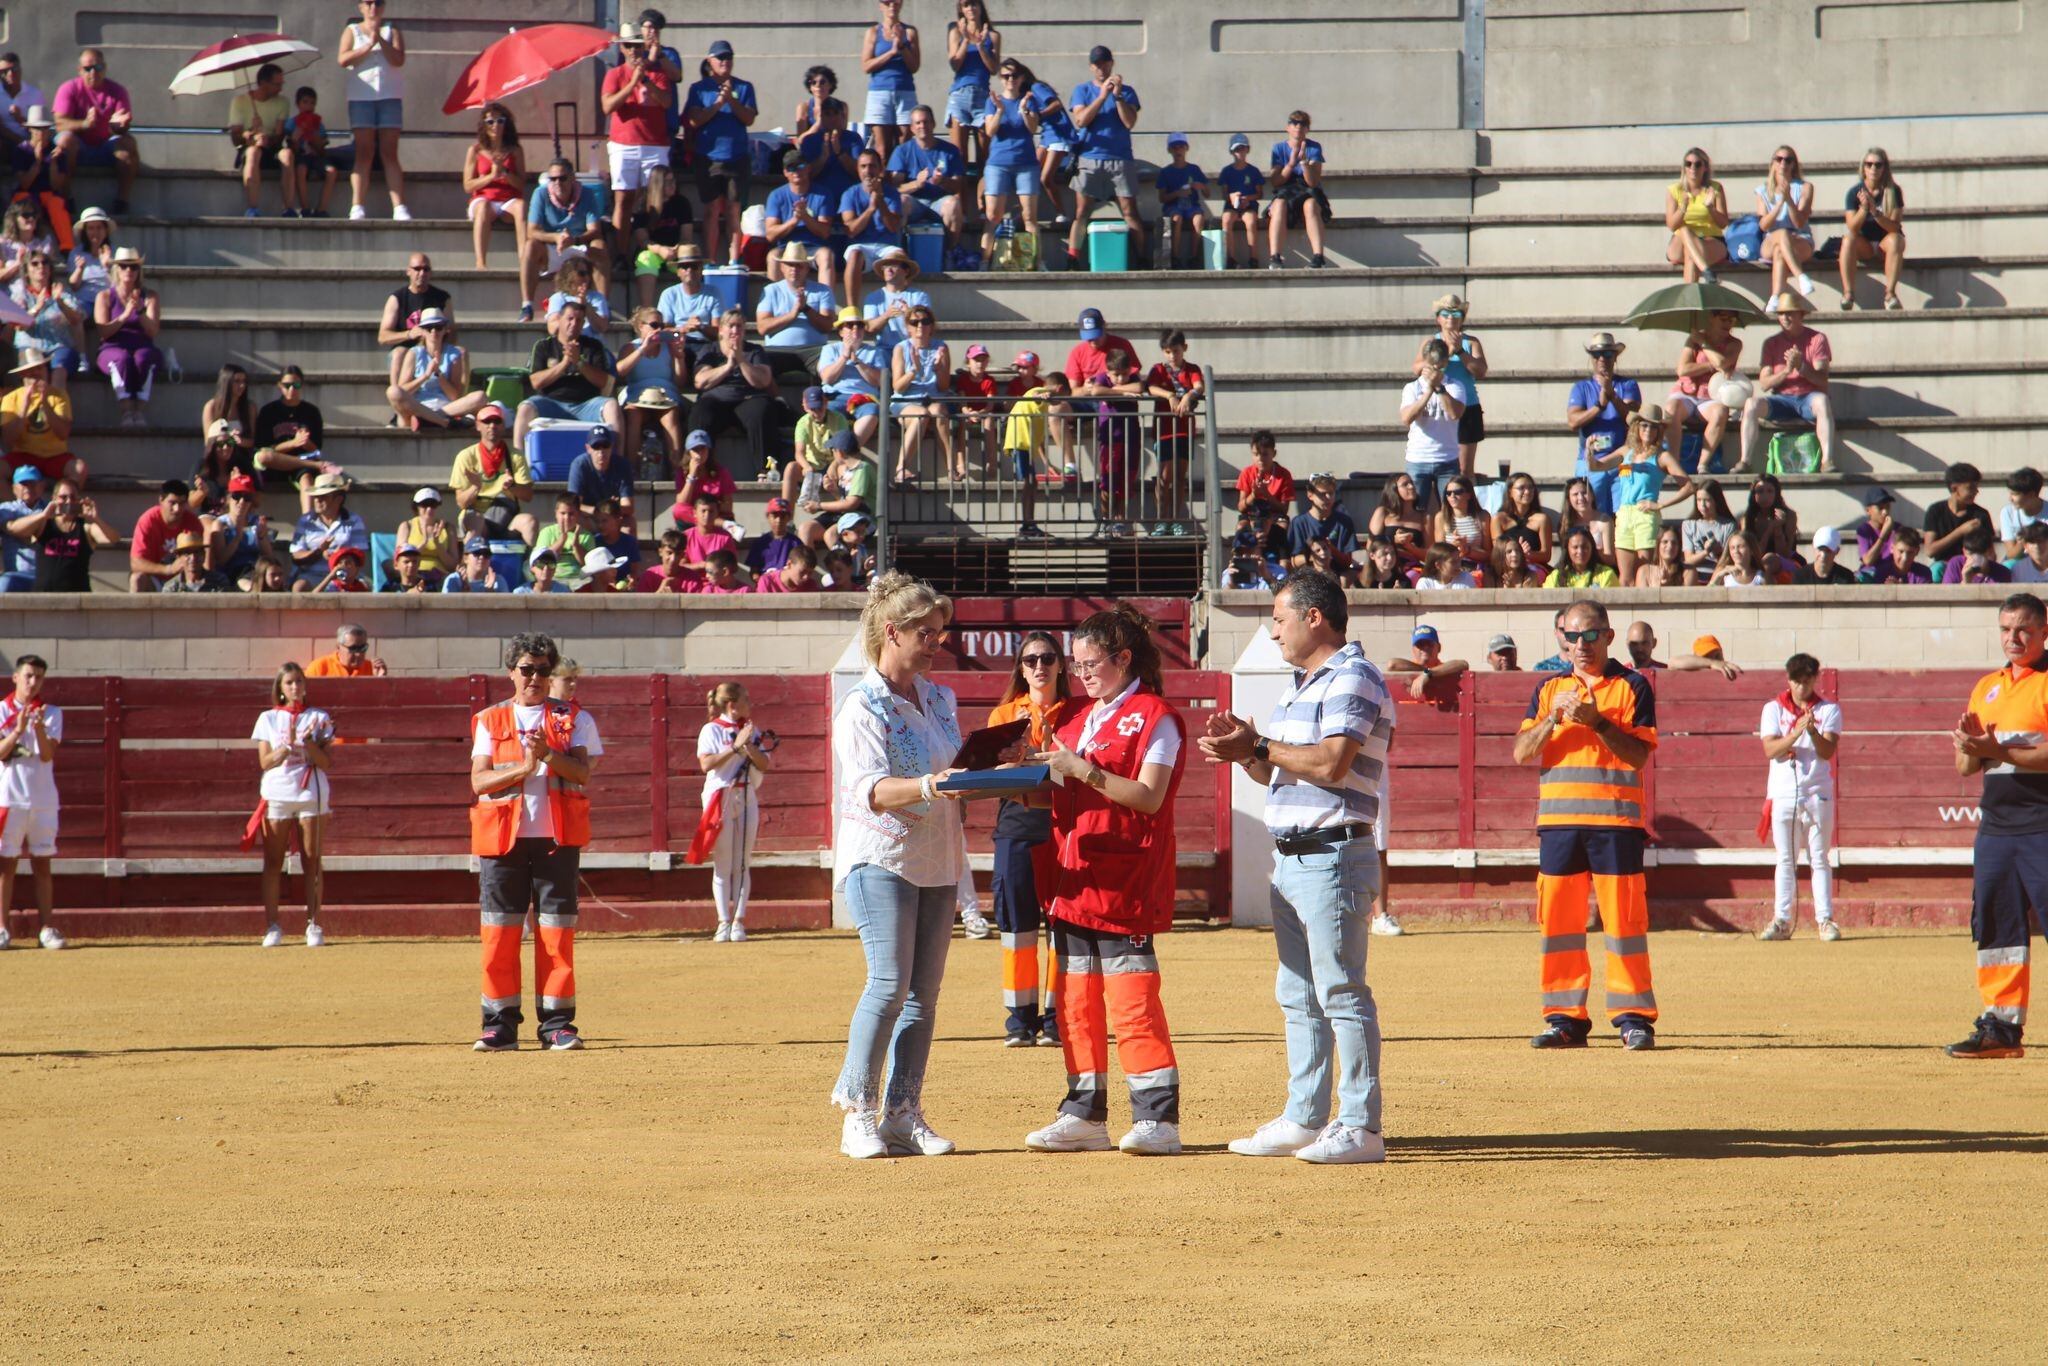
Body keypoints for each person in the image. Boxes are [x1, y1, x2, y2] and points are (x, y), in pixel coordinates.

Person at [1201, 572, 1391, 1162]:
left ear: (1314, 618)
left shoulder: (1353, 677)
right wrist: (1246, 750)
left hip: (1333, 852)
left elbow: (1333, 763)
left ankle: (1361, 1125)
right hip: (1296, 856)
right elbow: (1279, 771)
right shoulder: (1302, 685)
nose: (1274, 630)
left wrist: (1258, 748)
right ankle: (1306, 1118)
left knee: (1338, 990)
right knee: (1300, 994)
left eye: (1280, 618)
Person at [1023, 603, 1187, 1156]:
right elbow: (1052, 791)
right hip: (1071, 879)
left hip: (1124, 880)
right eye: (1078, 664)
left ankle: (1158, 1120)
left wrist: (1083, 770)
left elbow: (1149, 796)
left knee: (1131, 1001)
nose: (1083, 673)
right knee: (1074, 1004)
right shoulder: (1073, 717)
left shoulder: (1154, 716)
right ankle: (1083, 1112)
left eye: (1092, 663)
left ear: (1123, 658)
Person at [829, 573, 968, 1158]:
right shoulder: (861, 706)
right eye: (926, 633)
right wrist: (935, 785)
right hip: (880, 856)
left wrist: (989, 769)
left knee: (923, 995)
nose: (936, 643)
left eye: (940, 632)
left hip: (938, 856)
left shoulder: (938, 698)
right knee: (888, 984)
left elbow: (953, 769)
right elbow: (871, 791)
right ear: (892, 632)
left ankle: (902, 1112)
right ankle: (857, 1111)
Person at [1513, 599, 1659, 1050]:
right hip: (1559, 826)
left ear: (1608, 637)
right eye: (1572, 636)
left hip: (1616, 822)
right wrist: (1555, 718)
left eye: (1590, 635)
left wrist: (1596, 722)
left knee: (1624, 925)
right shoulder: (1548, 689)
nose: (1581, 645)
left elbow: (1638, 755)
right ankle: (1564, 1018)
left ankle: (1633, 1017)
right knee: (1558, 925)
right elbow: (1521, 751)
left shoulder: (1632, 685)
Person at [469, 632, 600, 1052]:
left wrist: (544, 756)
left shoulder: (573, 717)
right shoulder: (491, 719)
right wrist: (524, 768)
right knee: (499, 935)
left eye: (544, 671)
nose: (535, 678)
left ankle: (557, 1024)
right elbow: (479, 781)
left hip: (555, 838)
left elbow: (581, 773)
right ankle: (499, 1025)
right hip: (503, 840)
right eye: (527, 669)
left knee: (556, 934)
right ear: (511, 673)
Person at [1943, 593, 2048, 1058]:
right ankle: (2002, 1030)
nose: (2014, 637)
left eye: (2024, 629)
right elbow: (1966, 768)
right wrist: (1969, 744)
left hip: (2044, 823)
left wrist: (1996, 749)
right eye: (2006, 629)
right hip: (1998, 828)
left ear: (2044, 631)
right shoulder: (1988, 686)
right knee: (1997, 926)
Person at [1757, 653, 1843, 944]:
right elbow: (1770, 750)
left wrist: (1813, 731)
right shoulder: (1772, 709)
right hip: (1783, 793)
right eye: (1796, 681)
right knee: (1785, 859)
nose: (1801, 687)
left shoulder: (1829, 710)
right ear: (1788, 679)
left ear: (1814, 680)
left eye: (1807, 681)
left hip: (1817, 793)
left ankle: (1825, 920)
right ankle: (1781, 920)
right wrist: (1795, 734)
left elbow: (1827, 752)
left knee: (1819, 858)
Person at [250, 662, 333, 949]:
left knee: (312, 861)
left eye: (299, 682)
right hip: (278, 793)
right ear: (281, 689)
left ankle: (314, 924)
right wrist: (286, 746)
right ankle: (273, 925)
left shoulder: (319, 717)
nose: (295, 687)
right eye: (289, 683)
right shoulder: (268, 719)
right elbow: (264, 762)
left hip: (311, 792)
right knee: (273, 862)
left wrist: (308, 744)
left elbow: (325, 762)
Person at [694, 682, 772, 943]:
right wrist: (735, 747)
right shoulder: (712, 729)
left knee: (742, 861)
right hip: (722, 797)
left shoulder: (751, 730)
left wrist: (748, 746)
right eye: (746, 700)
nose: (749, 705)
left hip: (746, 795)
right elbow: (706, 764)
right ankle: (723, 922)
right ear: (732, 705)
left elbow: (765, 763)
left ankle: (738, 921)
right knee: (723, 862)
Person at [1589, 404, 1694, 586]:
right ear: (1636, 427)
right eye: (1644, 425)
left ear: (1659, 430)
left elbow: (1688, 487)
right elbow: (1596, 466)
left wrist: (1660, 505)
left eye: (1653, 426)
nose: (1648, 430)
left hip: (1645, 514)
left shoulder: (1662, 456)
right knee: (1625, 575)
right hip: (1624, 513)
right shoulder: (1626, 451)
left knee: (1644, 570)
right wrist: (1589, 451)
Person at [0, 655, 63, 949]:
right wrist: (18, 728)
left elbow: (48, 755)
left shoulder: (51, 713)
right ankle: (2, 928)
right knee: (5, 866)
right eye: (28, 676)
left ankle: (47, 928)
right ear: (15, 677)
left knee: (42, 865)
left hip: (42, 800)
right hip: (9, 798)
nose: (33, 682)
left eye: (38, 677)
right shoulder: (1, 710)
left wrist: (36, 727)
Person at [1063, 46, 1142, 271]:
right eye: (1097, 64)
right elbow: (1081, 120)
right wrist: (1102, 96)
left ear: (1112, 63)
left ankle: (1142, 258)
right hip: (1090, 158)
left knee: (1130, 211)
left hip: (1120, 158)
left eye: (1105, 63)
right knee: (1082, 211)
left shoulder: (1127, 92)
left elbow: (1129, 122)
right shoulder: (1082, 91)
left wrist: (1116, 97)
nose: (1101, 68)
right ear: (1091, 67)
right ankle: (1072, 257)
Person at [1741, 292, 1835, 473]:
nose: (1785, 317)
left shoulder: (1817, 339)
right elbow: (1765, 384)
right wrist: (1786, 370)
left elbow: (1822, 381)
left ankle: (1827, 460)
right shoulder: (1771, 343)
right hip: (1782, 399)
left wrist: (1801, 368)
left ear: (1801, 315)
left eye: (1790, 313)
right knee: (1751, 404)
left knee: (1822, 401)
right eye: (1781, 313)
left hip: (1809, 398)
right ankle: (1745, 460)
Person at [682, 40, 757, 264]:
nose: (725, 61)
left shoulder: (744, 87)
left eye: (728, 57)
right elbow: (694, 120)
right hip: (708, 157)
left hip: (737, 156)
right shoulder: (699, 89)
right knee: (712, 209)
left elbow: (749, 118)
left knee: (734, 210)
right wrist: (717, 104)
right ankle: (711, 260)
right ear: (710, 61)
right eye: (720, 57)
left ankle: (734, 260)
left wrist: (731, 101)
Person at [602, 23, 675, 249]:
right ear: (622, 48)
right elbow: (608, 106)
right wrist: (632, 83)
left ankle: (650, 248)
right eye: (628, 46)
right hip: (624, 144)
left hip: (655, 145)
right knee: (623, 199)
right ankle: (623, 252)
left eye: (636, 45)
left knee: (654, 199)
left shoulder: (658, 73)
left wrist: (645, 81)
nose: (633, 50)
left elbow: (666, 102)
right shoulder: (614, 74)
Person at [337, 0, 409, 220]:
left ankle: (399, 207)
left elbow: (399, 59)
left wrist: (380, 40)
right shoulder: (351, 30)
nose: (373, 7)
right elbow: (342, 59)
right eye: (368, 3)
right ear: (360, 7)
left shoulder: (391, 30)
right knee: (364, 152)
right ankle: (357, 205)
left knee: (389, 152)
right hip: (361, 97)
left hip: (389, 96)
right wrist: (367, 46)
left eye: (377, 3)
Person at [516, 300, 621, 450]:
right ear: (559, 319)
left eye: (579, 320)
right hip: (552, 404)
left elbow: (603, 382)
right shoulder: (543, 346)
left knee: (612, 406)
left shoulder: (594, 346)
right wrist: (564, 363)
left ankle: (617, 461)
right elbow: (536, 382)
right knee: (525, 408)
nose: (574, 323)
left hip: (586, 404)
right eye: (570, 319)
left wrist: (579, 362)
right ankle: (518, 464)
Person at [690, 312, 780, 478]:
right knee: (700, 412)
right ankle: (699, 470)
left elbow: (763, 381)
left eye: (739, 326)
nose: (735, 330)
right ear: (721, 330)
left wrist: (741, 359)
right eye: (730, 325)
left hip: (748, 398)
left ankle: (765, 471)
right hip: (716, 400)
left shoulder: (755, 351)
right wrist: (728, 366)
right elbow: (700, 381)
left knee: (761, 411)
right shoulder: (709, 351)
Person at [52, 48, 137, 214]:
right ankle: (66, 197)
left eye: (97, 68)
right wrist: (84, 124)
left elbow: (121, 127)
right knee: (64, 141)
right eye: (87, 68)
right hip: (78, 147)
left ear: (104, 68)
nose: (93, 72)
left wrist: (120, 125)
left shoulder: (117, 91)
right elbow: (59, 124)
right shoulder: (69, 88)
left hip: (106, 145)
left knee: (129, 143)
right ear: (79, 70)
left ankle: (122, 201)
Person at [520, 159, 606, 322]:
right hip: (551, 248)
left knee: (600, 246)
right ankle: (527, 306)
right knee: (530, 246)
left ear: (573, 178)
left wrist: (574, 239)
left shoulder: (587, 194)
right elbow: (531, 231)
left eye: (562, 178)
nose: (557, 182)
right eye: (553, 179)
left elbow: (595, 230)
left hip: (578, 246)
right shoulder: (540, 193)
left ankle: (602, 308)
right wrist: (555, 237)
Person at [1567, 333, 1639, 515]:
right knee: (1589, 513)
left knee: (1624, 512)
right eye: (1596, 354)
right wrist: (1599, 406)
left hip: (1621, 461)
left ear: (1615, 357)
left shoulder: (1628, 384)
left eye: (1607, 354)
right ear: (1591, 358)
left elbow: (1634, 418)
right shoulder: (1581, 387)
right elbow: (1573, 421)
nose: (1601, 359)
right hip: (1590, 460)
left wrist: (1612, 396)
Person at [978, 59, 1042, 261]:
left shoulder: (1029, 99)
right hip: (998, 163)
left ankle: (1038, 262)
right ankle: (984, 262)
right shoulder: (993, 101)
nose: (1010, 80)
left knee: (1030, 217)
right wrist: (999, 110)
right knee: (992, 217)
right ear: (1001, 79)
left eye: (1014, 75)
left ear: (1021, 78)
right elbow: (990, 130)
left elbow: (1033, 128)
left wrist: (1023, 109)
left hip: (1026, 164)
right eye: (1006, 76)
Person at [1663, 309, 1741, 474]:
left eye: (1732, 320)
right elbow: (1683, 370)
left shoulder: (1734, 344)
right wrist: (1710, 364)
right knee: (1671, 409)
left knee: (1721, 412)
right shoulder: (1693, 340)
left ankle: (1703, 464)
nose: (1728, 324)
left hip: (1711, 396)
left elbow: (1722, 362)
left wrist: (1704, 344)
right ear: (1712, 318)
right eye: (1724, 318)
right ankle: (1674, 462)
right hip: (1686, 392)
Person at [93, 246, 159, 427]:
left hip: (141, 345)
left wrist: (139, 312)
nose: (128, 270)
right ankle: (127, 411)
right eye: (123, 266)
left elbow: (153, 331)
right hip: (112, 347)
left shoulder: (150, 297)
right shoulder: (104, 296)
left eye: (133, 267)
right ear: (116, 269)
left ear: (139, 270)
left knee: (143, 358)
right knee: (120, 359)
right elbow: (103, 332)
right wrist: (124, 315)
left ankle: (139, 411)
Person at [386, 308, 484, 429]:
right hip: (417, 409)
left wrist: (438, 374)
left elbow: (455, 397)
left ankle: (430, 420)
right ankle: (442, 422)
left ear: (445, 330)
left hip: (446, 409)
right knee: (393, 392)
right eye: (428, 328)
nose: (433, 332)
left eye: (438, 327)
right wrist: (425, 376)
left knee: (480, 397)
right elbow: (403, 390)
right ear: (422, 330)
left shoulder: (454, 354)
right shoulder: (414, 353)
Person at [763, 149, 840, 292]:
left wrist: (805, 217)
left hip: (814, 247)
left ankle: (827, 305)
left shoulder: (823, 194)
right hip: (786, 248)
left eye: (800, 167)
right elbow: (770, 234)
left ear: (809, 168)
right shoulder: (776, 196)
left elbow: (824, 232)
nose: (796, 171)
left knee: (826, 255)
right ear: (785, 172)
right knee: (773, 256)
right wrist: (794, 220)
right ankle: (775, 304)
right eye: (791, 168)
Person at [463, 103, 527, 271]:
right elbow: (468, 185)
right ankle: (481, 263)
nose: (496, 125)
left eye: (500, 121)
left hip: (508, 200)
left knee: (521, 207)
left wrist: (504, 172)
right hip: (483, 200)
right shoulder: (475, 150)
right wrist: (491, 176)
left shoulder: (515, 150)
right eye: (490, 122)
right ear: (483, 125)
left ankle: (524, 261)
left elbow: (521, 184)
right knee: (483, 206)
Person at [1840, 147, 1906, 311]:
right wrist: (1864, 208)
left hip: (1886, 243)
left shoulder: (1893, 191)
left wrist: (1875, 212)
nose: (1873, 169)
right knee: (1847, 239)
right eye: (1869, 164)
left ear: (1885, 168)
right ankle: (1848, 293)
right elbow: (1852, 227)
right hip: (1865, 245)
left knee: (1896, 240)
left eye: (1878, 165)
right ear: (1863, 167)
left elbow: (1894, 227)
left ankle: (1890, 294)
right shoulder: (1854, 193)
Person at [229, 62, 297, 217]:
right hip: (250, 149)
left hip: (272, 150)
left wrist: (269, 139)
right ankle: (253, 208)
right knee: (253, 152)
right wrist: (251, 135)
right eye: (276, 84)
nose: (280, 88)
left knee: (287, 154)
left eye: (281, 84)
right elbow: (235, 138)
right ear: (263, 83)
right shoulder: (239, 102)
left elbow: (280, 137)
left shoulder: (282, 102)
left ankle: (289, 209)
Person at [21, 478, 113, 591]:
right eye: (63, 497)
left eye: (73, 497)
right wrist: (43, 515)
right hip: (43, 598)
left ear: (79, 500)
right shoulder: (43, 524)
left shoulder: (86, 528)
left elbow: (112, 538)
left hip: (77, 599)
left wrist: (96, 519)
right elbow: (17, 530)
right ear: (54, 499)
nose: (68, 501)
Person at [2, 352, 79, 485]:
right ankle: (15, 505)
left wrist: (45, 402)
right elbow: (8, 440)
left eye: (40, 368)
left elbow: (63, 434)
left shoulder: (59, 395)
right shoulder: (11, 398)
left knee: (79, 469)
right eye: (31, 370)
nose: (37, 373)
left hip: (55, 455)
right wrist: (24, 408)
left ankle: (63, 500)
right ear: (23, 374)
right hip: (23, 455)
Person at [1265, 110, 1329, 269]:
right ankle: (1275, 257)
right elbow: (1276, 181)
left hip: (1307, 189)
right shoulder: (1279, 148)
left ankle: (1318, 256)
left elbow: (1313, 182)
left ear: (1307, 129)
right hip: (1287, 188)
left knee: (1311, 206)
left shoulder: (1314, 147)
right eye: (1294, 122)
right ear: (1288, 127)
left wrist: (1304, 163)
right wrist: (1291, 164)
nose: (1298, 126)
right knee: (1278, 205)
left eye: (1303, 124)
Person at [861, 0, 924, 160]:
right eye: (887, 2)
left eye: (895, 1)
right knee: (882, 148)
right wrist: (891, 53)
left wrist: (902, 46)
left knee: (905, 141)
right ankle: (883, 182)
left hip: (905, 90)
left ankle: (903, 181)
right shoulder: (873, 32)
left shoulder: (910, 32)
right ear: (880, 6)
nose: (892, 5)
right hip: (879, 92)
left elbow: (914, 66)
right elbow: (866, 65)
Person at [1755, 144, 1815, 305]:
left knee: (1780, 251)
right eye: (1779, 159)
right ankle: (1800, 276)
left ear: (1793, 164)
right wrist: (1780, 203)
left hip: (1800, 239)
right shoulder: (1762, 191)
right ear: (1773, 163)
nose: (1783, 164)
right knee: (1781, 234)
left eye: (1788, 160)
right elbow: (1763, 225)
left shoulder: (1805, 188)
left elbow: (1799, 222)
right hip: (1771, 238)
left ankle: (1775, 297)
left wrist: (1789, 199)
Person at [945, 1, 1000, 162]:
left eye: (974, 4)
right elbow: (955, 64)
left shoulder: (992, 35)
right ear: (961, 10)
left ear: (980, 7)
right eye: (966, 5)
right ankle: (960, 188)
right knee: (959, 153)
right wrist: (966, 40)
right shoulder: (956, 32)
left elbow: (994, 69)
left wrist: (981, 46)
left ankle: (982, 187)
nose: (970, 9)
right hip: (960, 94)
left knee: (985, 152)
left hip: (982, 94)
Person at [128, 480, 204, 594]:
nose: (177, 509)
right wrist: (168, 569)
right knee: (137, 579)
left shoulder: (193, 522)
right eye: (172, 503)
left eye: (182, 503)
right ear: (161, 500)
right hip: (155, 579)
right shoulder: (148, 520)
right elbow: (136, 563)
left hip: (183, 581)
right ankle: (135, 612)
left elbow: (201, 556)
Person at [1663, 146, 1726, 284]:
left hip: (1710, 239)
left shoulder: (1715, 188)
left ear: (1705, 168)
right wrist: (1683, 208)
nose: (1693, 168)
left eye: (1698, 164)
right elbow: (1672, 225)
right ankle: (1706, 271)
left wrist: (1711, 208)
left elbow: (1723, 223)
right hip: (1679, 241)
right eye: (1688, 164)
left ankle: (1690, 303)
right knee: (1684, 230)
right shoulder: (1675, 190)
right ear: (1684, 168)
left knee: (1691, 255)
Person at [252, 367, 330, 477]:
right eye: (287, 385)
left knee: (306, 478)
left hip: (302, 465)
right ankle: (315, 465)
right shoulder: (268, 411)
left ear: (302, 385)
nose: (292, 389)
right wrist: (293, 443)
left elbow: (317, 452)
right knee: (263, 456)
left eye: (296, 385)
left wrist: (306, 443)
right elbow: (263, 448)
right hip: (274, 465)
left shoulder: (312, 412)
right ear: (279, 385)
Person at [1153, 132, 1208, 270]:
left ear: (1186, 148)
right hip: (1173, 206)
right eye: (1175, 148)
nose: (1178, 151)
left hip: (1191, 206)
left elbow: (1207, 193)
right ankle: (1175, 256)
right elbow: (1162, 198)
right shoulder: (1166, 172)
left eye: (1181, 147)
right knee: (1176, 219)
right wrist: (1178, 193)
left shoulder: (1194, 169)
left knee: (1199, 218)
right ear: (1170, 150)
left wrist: (1201, 187)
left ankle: (1194, 257)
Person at [376, 253, 451, 350]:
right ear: (408, 271)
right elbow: (383, 337)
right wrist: (408, 334)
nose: (422, 273)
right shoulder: (397, 298)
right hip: (405, 350)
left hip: (433, 349)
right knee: (399, 353)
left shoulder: (443, 298)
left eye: (426, 269)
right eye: (417, 269)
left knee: (460, 352)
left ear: (430, 272)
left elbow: (451, 332)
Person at [287, 85, 341, 218]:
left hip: (316, 157)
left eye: (312, 103)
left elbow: (322, 147)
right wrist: (295, 138)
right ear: (298, 104)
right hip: (301, 157)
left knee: (332, 172)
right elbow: (290, 146)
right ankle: (305, 208)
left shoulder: (319, 124)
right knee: (301, 170)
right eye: (305, 102)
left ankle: (321, 208)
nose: (309, 106)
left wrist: (315, 139)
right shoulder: (292, 122)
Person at [1923, 461, 1991, 565]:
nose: (1976, 491)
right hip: (1944, 565)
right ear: (1954, 488)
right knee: (1936, 568)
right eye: (1970, 488)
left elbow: (1991, 554)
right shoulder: (1935, 511)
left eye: (1976, 487)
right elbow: (1930, 550)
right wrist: (1960, 531)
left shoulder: (1980, 514)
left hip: (1973, 564)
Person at [1216, 132, 1265, 269]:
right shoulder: (1226, 171)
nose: (1240, 152)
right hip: (1232, 206)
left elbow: (1259, 193)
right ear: (1232, 152)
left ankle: (1253, 258)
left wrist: (1247, 199)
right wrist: (1232, 197)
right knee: (1226, 220)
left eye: (1242, 148)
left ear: (1247, 150)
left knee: (1250, 221)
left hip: (1249, 205)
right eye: (1237, 149)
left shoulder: (1253, 171)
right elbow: (1224, 194)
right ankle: (1230, 258)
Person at [1681, 478, 1738, 575]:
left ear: (1716, 501)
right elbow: (1688, 560)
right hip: (1696, 573)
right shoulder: (1689, 525)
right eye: (1699, 500)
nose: (1702, 505)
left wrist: (1718, 551)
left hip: (1719, 572)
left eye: (1707, 500)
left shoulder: (1728, 525)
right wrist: (1706, 552)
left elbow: (1729, 559)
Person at [1857, 524, 1931, 585]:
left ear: (1917, 551)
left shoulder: (1923, 572)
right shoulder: (1880, 572)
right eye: (1901, 551)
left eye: (1910, 552)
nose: (1905, 558)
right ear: (1892, 548)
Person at [306, 623, 387, 678]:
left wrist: (380, 680)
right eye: (353, 648)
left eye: (363, 648)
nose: (358, 654)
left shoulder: (372, 668)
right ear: (338, 647)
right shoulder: (319, 668)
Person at [161, 531, 230, 593]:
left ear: (204, 554)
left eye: (197, 552)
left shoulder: (218, 581)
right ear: (179, 557)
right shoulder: (172, 588)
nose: (193, 558)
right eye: (187, 553)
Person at [1999, 468, 2045, 560]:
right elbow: (2011, 555)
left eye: (2015, 494)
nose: (2010, 499)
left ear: (2031, 494)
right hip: (2021, 561)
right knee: (2008, 565)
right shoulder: (2008, 512)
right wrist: (2025, 539)